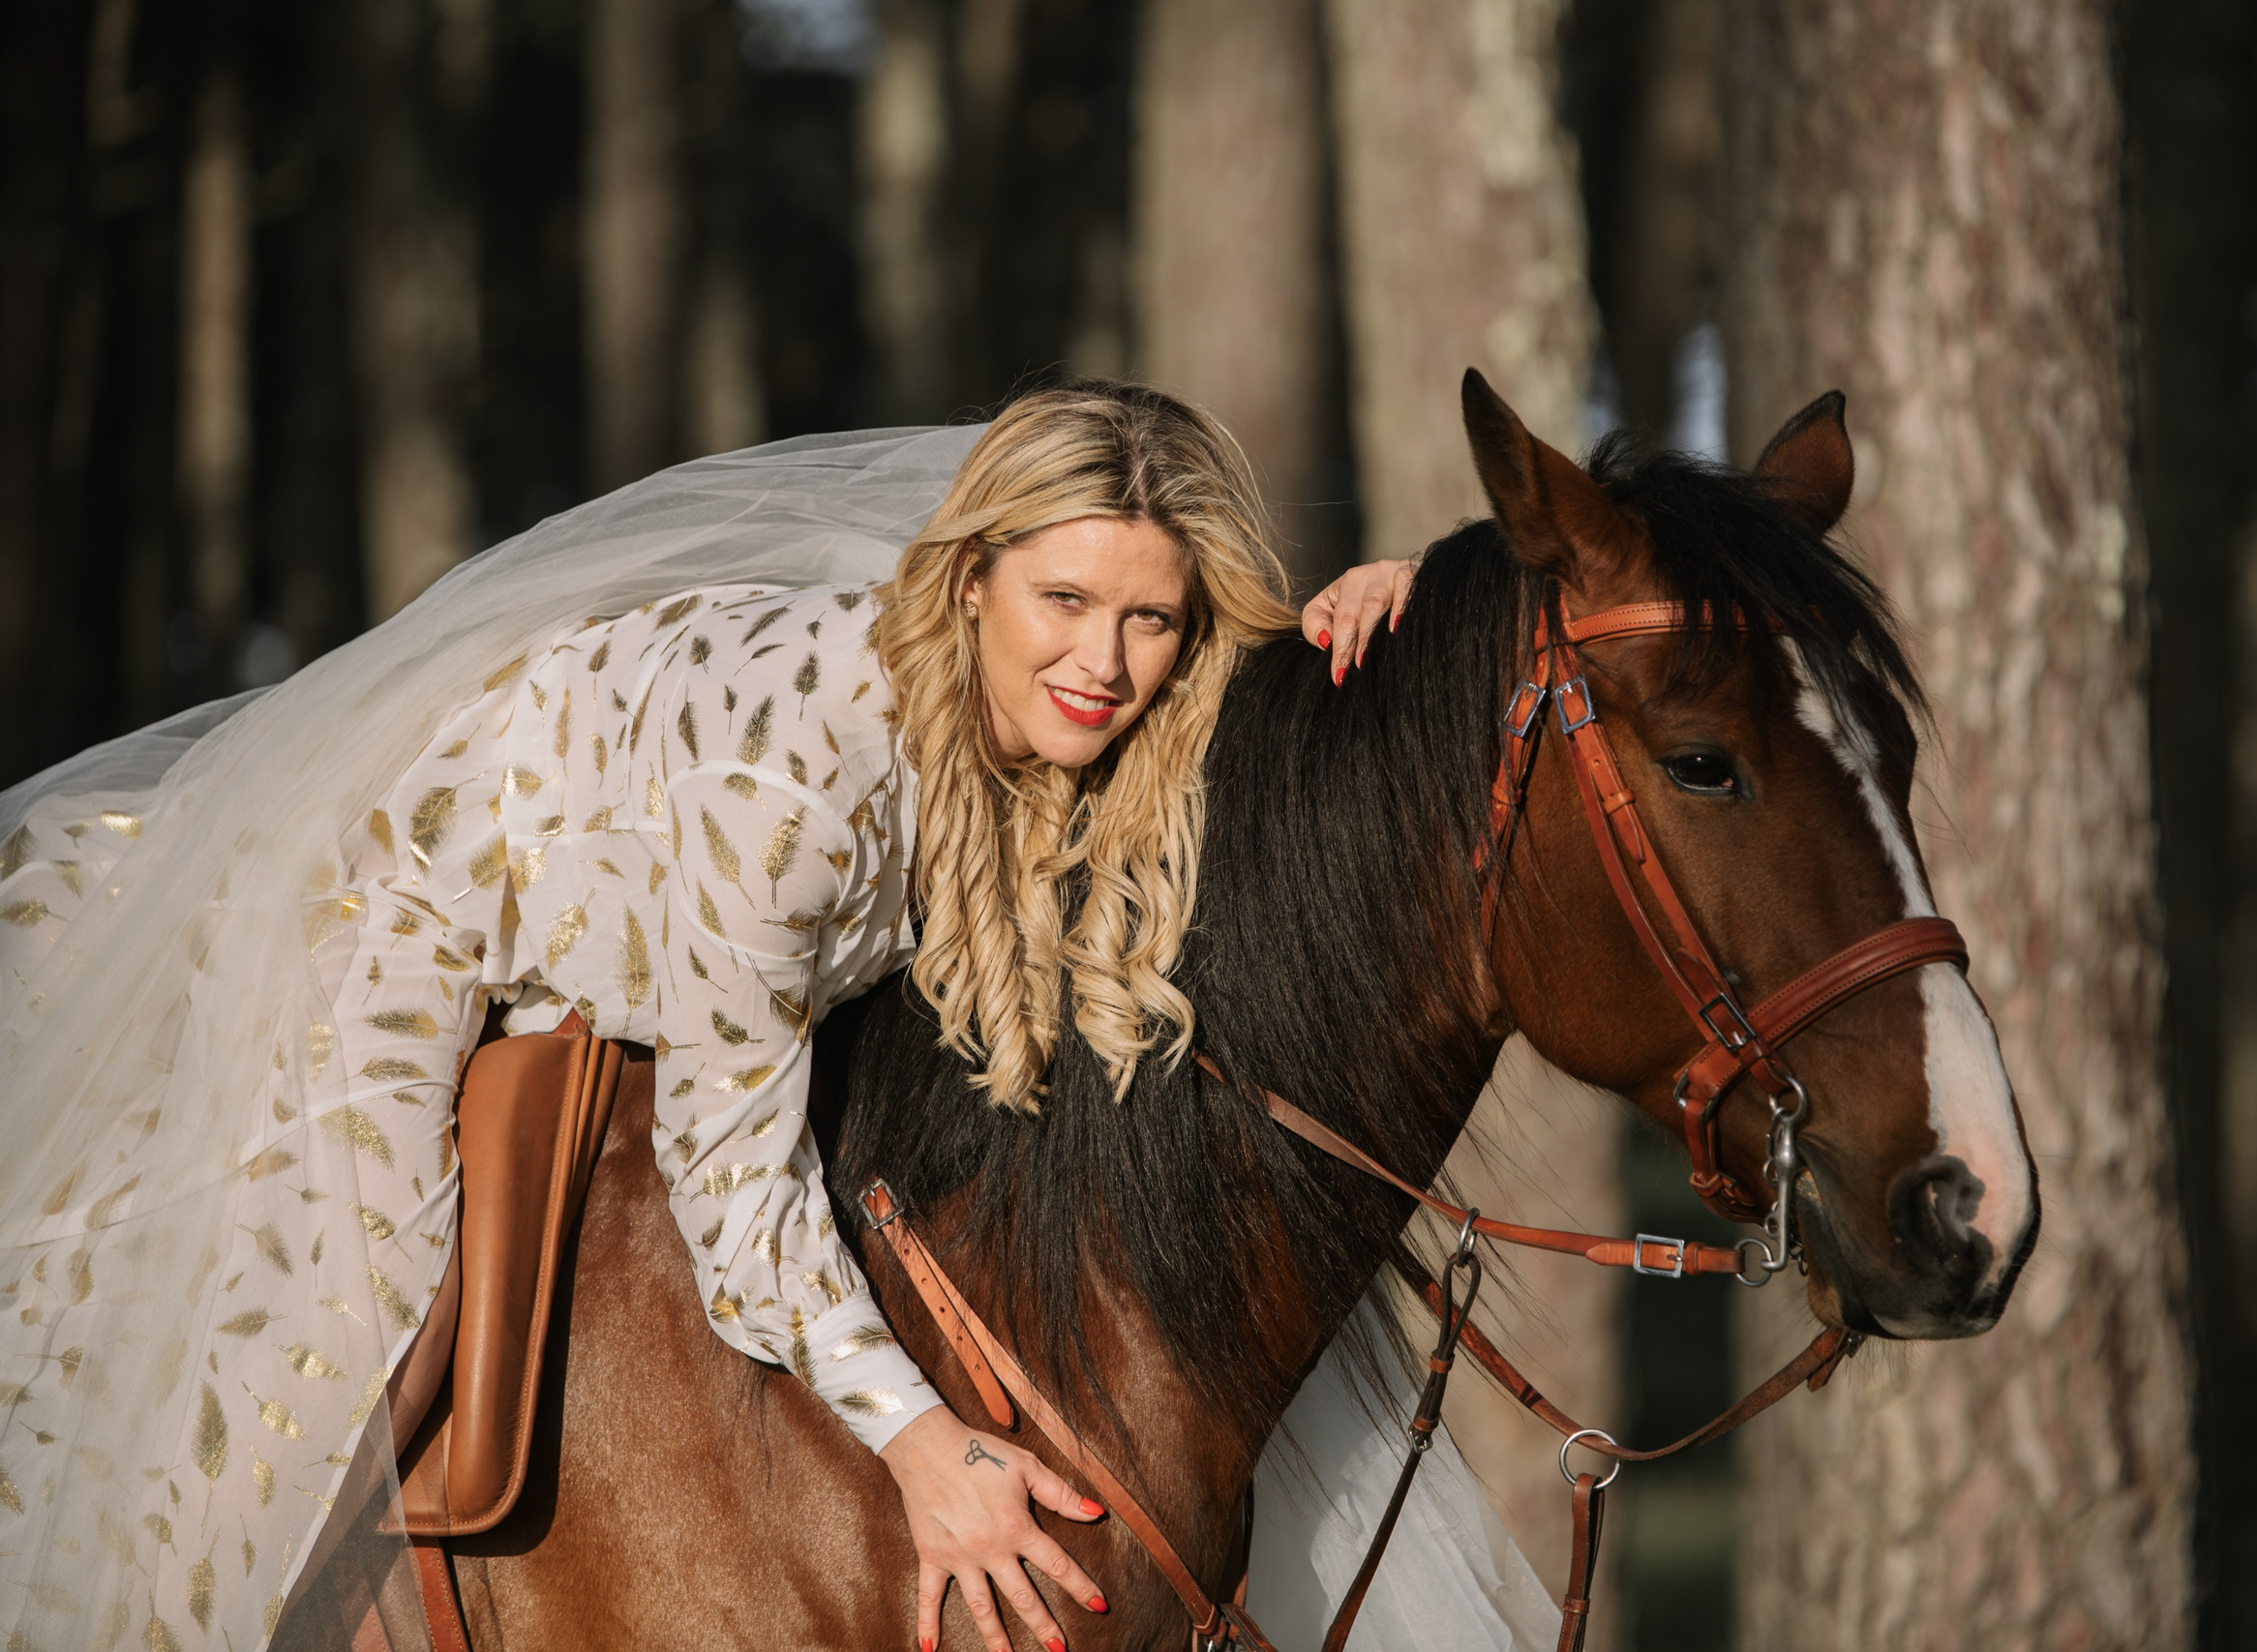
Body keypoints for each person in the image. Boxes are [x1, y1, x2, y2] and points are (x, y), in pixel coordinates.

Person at [0, 380, 1528, 1652]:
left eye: (1151, 618)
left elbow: (1233, 727)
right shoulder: (799, 788)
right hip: (413, 892)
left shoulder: (1102, 686)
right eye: (1064, 600)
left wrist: (1377, 604)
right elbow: (734, 1186)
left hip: (668, 885)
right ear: (971, 578)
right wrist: (926, 1455)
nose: (1103, 667)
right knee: (305, 1378)